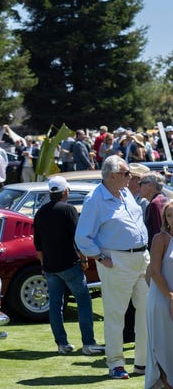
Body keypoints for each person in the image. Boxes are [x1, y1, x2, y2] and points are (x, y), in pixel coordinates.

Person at [75, 155, 149, 380]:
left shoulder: (125, 192)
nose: (131, 177)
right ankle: (116, 364)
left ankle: (143, 362)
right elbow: (82, 237)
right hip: (116, 261)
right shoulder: (95, 199)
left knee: (147, 312)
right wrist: (99, 257)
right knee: (116, 314)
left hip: (140, 258)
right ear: (114, 175)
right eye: (127, 173)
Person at [33, 176, 105, 356]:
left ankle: (62, 344)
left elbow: (38, 244)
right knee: (84, 301)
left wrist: (44, 264)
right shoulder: (69, 209)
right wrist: (84, 259)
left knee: (55, 305)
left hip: (50, 266)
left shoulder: (40, 212)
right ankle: (88, 343)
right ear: (65, 192)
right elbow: (78, 238)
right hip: (69, 264)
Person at [144, 201, 173, 389]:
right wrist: (170, 297)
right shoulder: (160, 239)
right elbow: (154, 272)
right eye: (169, 215)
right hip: (162, 300)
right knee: (162, 348)